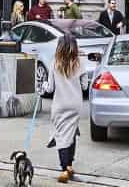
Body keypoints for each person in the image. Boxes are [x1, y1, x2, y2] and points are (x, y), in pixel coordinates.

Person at [45, 34, 84, 183]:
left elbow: (49, 88)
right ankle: (69, 166)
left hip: (60, 105)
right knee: (72, 133)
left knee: (61, 136)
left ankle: (63, 170)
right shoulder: (79, 63)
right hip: (75, 104)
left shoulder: (54, 63)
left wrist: (42, 86)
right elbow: (85, 85)